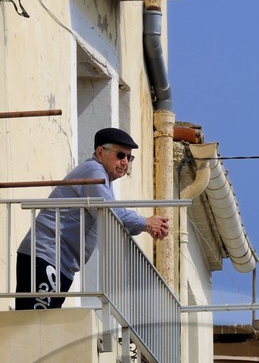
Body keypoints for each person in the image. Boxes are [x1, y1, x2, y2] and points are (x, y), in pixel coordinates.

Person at [15, 127, 170, 310]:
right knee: (37, 325)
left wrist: (145, 226)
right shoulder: (93, 171)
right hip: (47, 255)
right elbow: (109, 211)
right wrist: (145, 223)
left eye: (130, 157)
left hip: (58, 262)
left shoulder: (102, 179)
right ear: (100, 152)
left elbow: (112, 219)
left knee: (40, 326)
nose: (125, 162)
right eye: (121, 154)